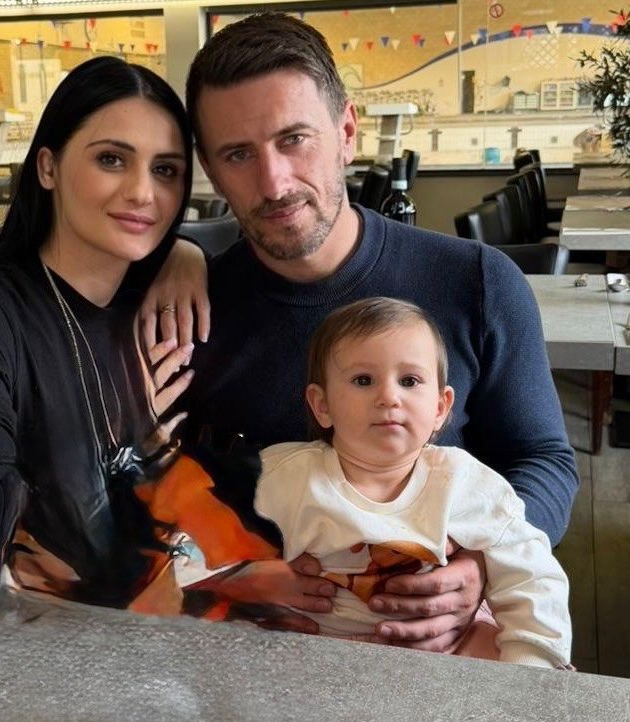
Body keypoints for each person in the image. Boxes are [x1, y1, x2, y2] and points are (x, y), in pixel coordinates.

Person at [142, 12, 580, 651]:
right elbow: (152, 494)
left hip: (444, 655)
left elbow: (545, 460)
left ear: (346, 132)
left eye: (294, 139)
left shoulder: (477, 282)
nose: (274, 183)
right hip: (250, 656)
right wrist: (223, 580)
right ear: (209, 165)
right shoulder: (187, 310)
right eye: (238, 154)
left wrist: (481, 564)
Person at [0, 56, 198, 604]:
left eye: (165, 170)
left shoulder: (158, 307)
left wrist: (188, 251)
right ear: (47, 167)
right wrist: (113, 443)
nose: (143, 192)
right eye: (111, 159)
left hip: (142, 617)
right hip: (18, 638)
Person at [254, 297, 573, 669]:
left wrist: (531, 666)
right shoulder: (282, 476)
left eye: (409, 381)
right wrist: (244, 578)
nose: (389, 397)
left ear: (440, 407)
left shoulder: (464, 483)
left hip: (445, 653)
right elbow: (204, 540)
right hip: (308, 657)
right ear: (321, 405)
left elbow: (531, 576)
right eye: (363, 380)